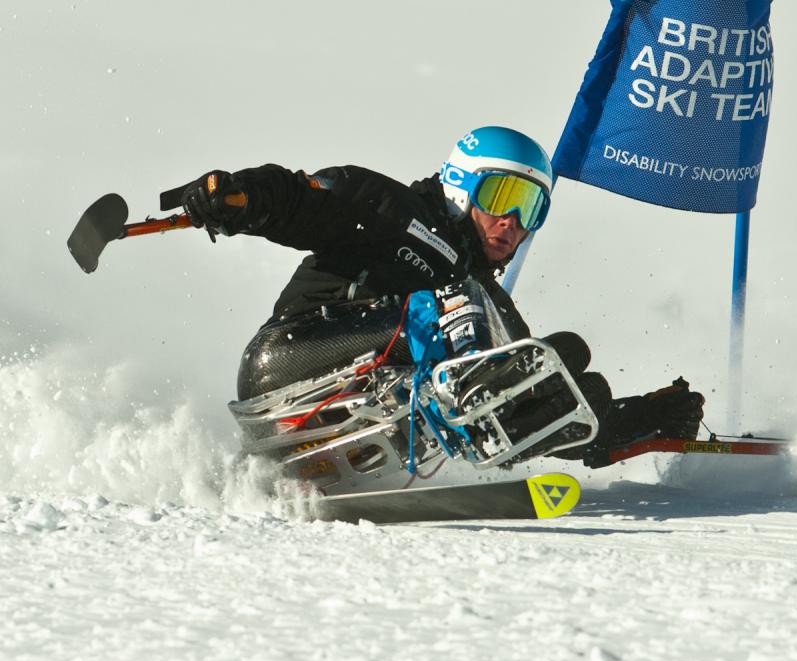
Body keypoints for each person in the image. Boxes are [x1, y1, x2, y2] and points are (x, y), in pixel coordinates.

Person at [176, 125, 704, 467]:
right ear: (460, 185)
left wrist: (634, 423)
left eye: (531, 210)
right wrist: (241, 197)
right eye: (502, 197)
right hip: (287, 363)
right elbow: (303, 202)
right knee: (459, 303)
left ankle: (454, 428)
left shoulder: (484, 298)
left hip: (352, 419)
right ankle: (460, 418)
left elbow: (529, 390)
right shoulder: (393, 213)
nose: (512, 224)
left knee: (556, 364)